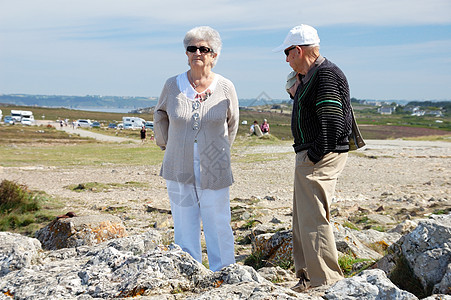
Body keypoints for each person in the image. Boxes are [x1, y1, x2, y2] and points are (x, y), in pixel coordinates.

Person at [273, 24, 352, 292]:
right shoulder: (311, 76)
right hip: (311, 154)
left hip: (319, 155)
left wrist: (315, 154)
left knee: (314, 218)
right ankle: (308, 277)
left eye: (287, 53)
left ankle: (326, 281)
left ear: (298, 50)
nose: (286, 60)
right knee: (303, 218)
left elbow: (332, 121)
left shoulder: (326, 74)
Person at [154, 26, 239, 272]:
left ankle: (223, 272)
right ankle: (188, 272)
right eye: (192, 48)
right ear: (186, 54)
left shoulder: (225, 87)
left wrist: (220, 152)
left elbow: (232, 123)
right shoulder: (172, 85)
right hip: (178, 164)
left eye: (204, 49)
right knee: (184, 222)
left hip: (215, 165)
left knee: (218, 221)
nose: (197, 53)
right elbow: (160, 115)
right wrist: (167, 145)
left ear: (214, 55)